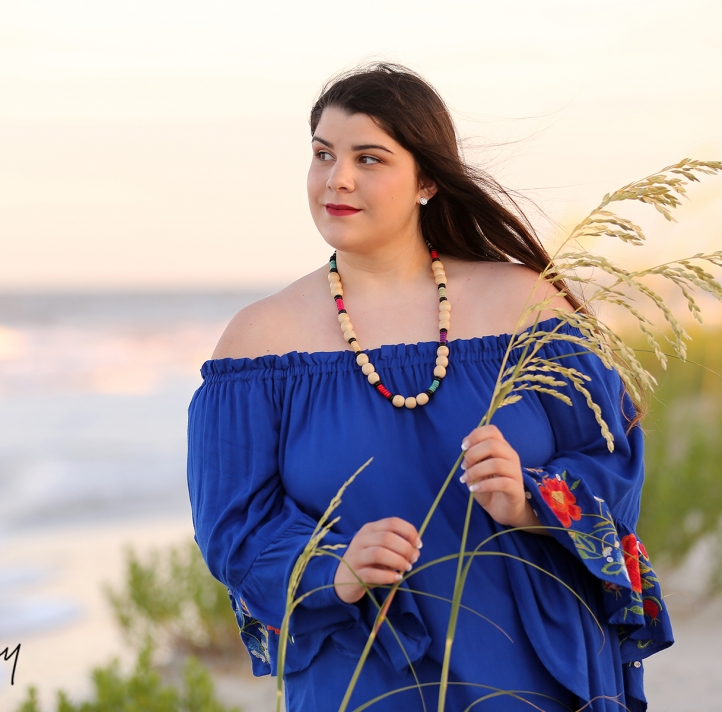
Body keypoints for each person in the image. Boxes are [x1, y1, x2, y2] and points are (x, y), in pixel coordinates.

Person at [186, 62, 673, 711]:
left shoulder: (524, 303)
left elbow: (616, 469)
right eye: (323, 154)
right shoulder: (259, 344)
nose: (338, 179)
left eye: (370, 158)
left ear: (427, 180)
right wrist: (337, 567)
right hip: (364, 676)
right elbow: (234, 532)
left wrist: (528, 497)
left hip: (529, 668)